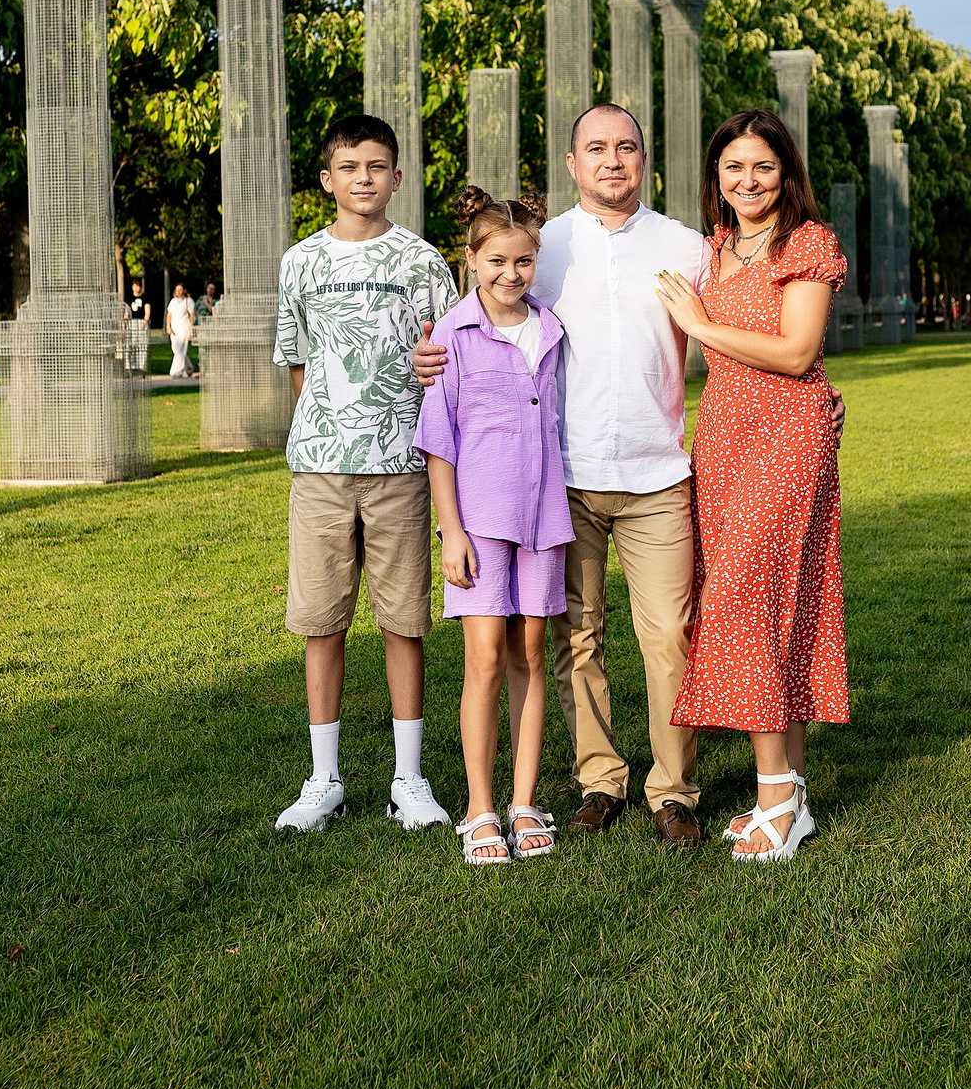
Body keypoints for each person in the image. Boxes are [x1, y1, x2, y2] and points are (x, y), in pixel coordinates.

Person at [415, 104, 713, 846]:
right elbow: (483, 312)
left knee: (668, 637)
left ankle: (673, 791)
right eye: (596, 148)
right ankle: (599, 778)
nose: (613, 160)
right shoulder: (545, 248)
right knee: (577, 638)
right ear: (573, 163)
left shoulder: (685, 246)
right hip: (562, 481)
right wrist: (432, 354)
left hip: (658, 474)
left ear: (645, 158)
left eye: (627, 146)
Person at [653, 108, 849, 865]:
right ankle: (792, 796)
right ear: (717, 177)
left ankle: (772, 796)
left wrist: (699, 325)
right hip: (725, 437)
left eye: (762, 166)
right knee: (776, 601)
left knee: (749, 600)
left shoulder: (807, 243)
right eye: (733, 167)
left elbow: (799, 352)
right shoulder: (714, 249)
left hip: (788, 433)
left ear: (785, 171)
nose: (748, 180)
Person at [272, 114, 459, 834]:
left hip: (402, 467)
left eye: (377, 166)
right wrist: (328, 426)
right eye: (350, 167)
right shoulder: (300, 263)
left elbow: (447, 357)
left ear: (397, 177)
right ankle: (324, 779)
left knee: (403, 621)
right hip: (321, 469)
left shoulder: (420, 261)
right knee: (323, 622)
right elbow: (299, 361)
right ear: (328, 178)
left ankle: (408, 778)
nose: (364, 178)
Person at [414, 187, 572, 866]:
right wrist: (451, 532)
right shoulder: (451, 334)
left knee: (529, 656)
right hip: (479, 525)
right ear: (471, 258)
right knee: (483, 659)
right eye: (497, 260)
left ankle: (523, 799)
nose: (511, 274)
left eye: (525, 261)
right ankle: (480, 809)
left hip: (545, 520)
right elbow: (439, 442)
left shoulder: (553, 328)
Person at [166, 283, 196, 379]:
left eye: (181, 289)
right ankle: (189, 367)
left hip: (184, 328)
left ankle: (176, 371)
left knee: (181, 350)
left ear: (184, 290)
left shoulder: (189, 301)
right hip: (175, 329)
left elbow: (192, 316)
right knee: (176, 350)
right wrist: (168, 326)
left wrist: (191, 329)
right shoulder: (173, 301)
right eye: (177, 289)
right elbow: (169, 314)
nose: (179, 291)